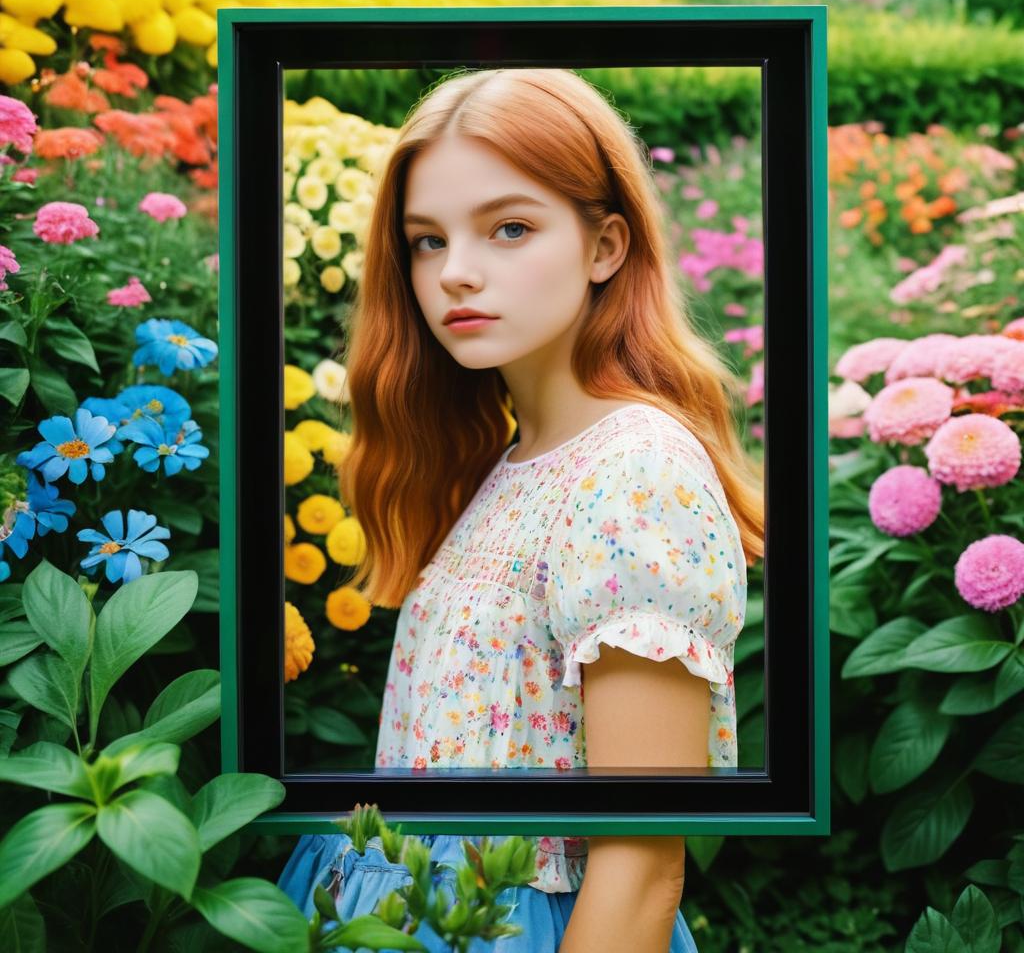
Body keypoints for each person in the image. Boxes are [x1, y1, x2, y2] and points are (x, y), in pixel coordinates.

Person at [277, 66, 765, 952]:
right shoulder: (510, 459)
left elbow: (642, 863)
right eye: (427, 240)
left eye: (510, 228)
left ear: (606, 247)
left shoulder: (634, 475)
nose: (456, 273)